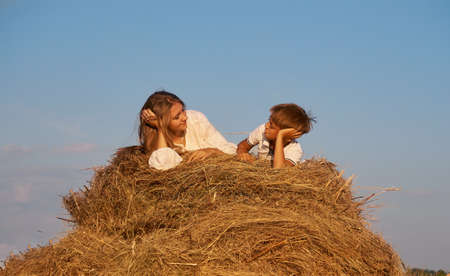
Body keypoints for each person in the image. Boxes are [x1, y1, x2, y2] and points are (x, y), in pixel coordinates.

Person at [139, 90, 236, 170]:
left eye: (183, 110)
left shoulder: (196, 119)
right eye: (177, 117)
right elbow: (163, 164)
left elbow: (232, 152)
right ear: (164, 122)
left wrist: (211, 151)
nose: (184, 117)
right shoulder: (157, 139)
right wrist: (160, 128)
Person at [236, 103, 315, 168]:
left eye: (272, 126)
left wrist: (280, 137)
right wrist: (243, 153)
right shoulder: (263, 130)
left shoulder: (295, 150)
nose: (266, 125)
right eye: (268, 121)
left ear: (287, 135)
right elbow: (242, 146)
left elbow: (279, 169)